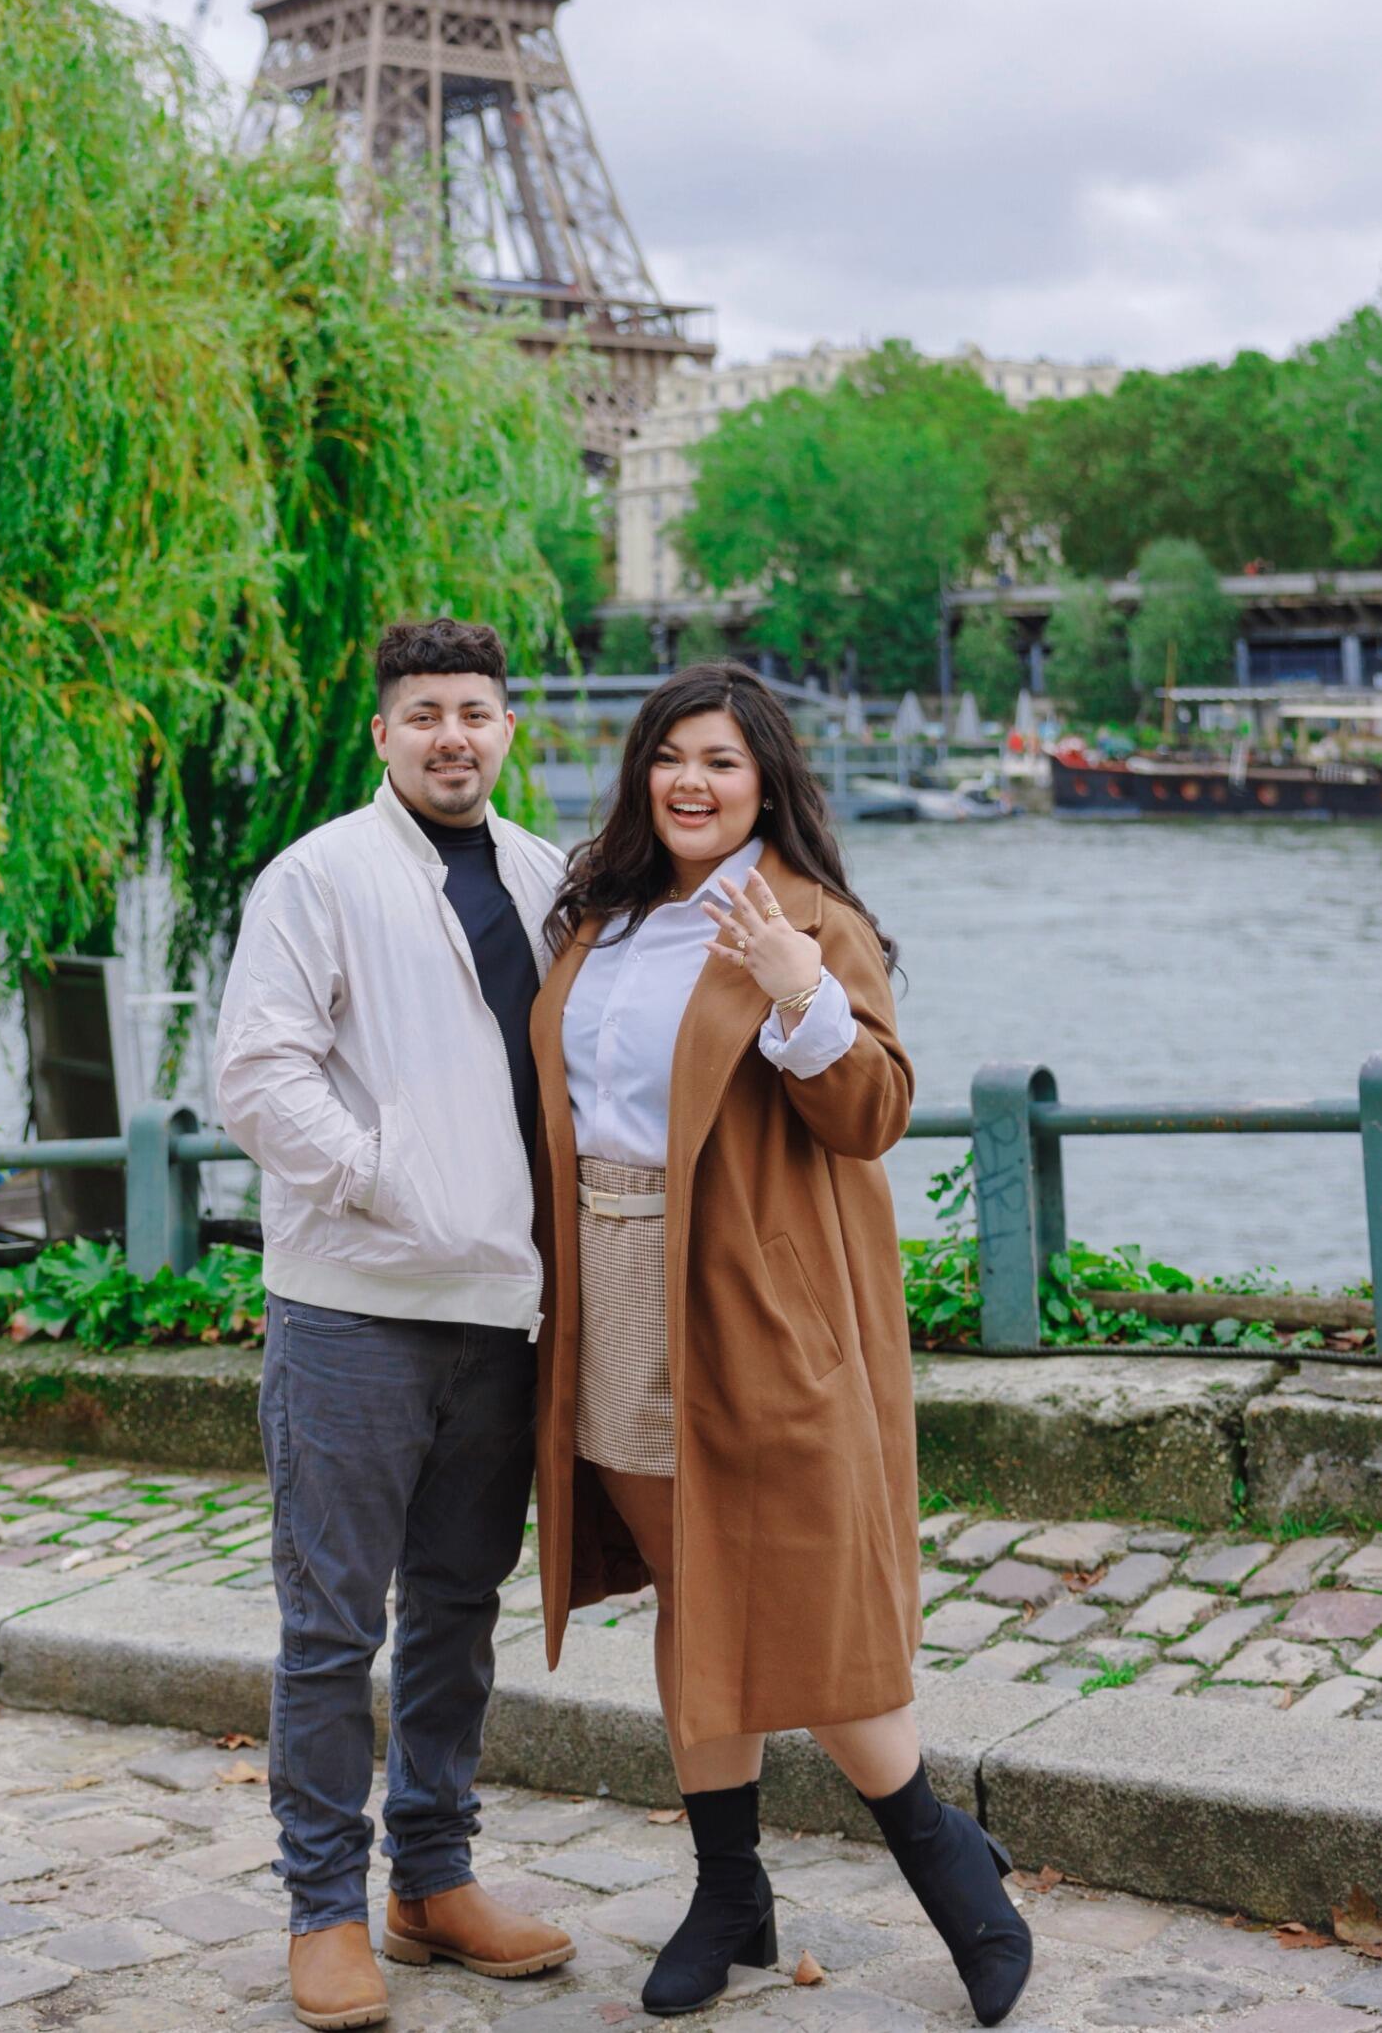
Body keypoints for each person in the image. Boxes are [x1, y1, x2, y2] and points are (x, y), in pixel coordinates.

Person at [529, 664, 1033, 2027]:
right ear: (641, 774)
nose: (691, 781)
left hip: (753, 1300)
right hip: (608, 1283)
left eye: (722, 762)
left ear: (766, 784)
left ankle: (946, 1865)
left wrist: (800, 992)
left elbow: (871, 1113)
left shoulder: (806, 917)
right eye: (669, 756)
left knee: (795, 1592)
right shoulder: (602, 918)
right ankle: (728, 1890)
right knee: (698, 1587)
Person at [215, 618, 574, 2033]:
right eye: (423, 713)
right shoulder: (318, 876)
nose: (452, 737)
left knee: (455, 1611)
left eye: (475, 713)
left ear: (505, 728)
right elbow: (257, 1074)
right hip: (354, 1307)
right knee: (326, 1628)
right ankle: (323, 1909)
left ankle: (432, 1878)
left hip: (504, 1313)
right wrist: (388, 1182)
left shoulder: (548, 877)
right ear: (382, 733)